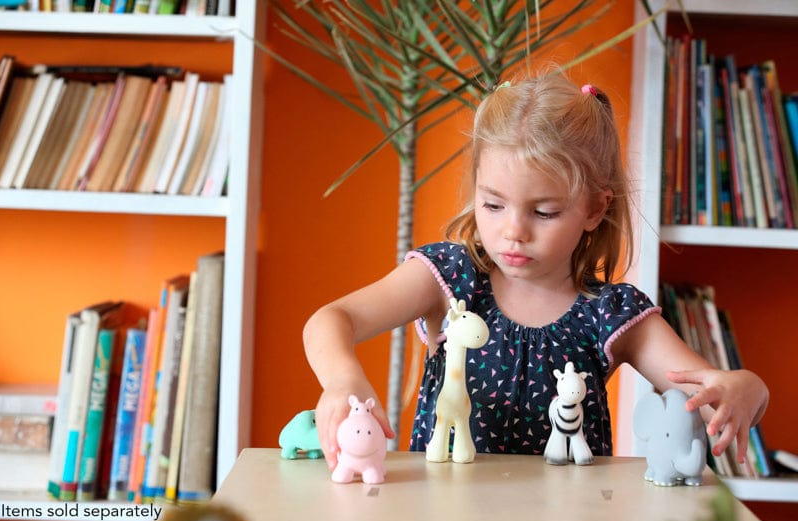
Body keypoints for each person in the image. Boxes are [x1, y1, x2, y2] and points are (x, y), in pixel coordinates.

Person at [302, 73, 769, 471]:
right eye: (492, 204)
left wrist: (748, 387)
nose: (513, 231)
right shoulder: (448, 277)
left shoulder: (609, 313)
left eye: (544, 212)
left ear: (593, 209)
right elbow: (331, 319)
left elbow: (709, 390)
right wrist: (343, 380)